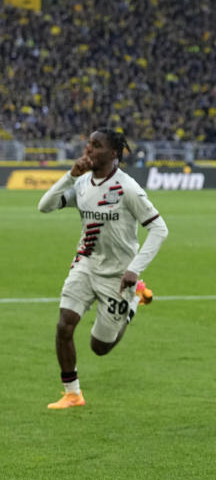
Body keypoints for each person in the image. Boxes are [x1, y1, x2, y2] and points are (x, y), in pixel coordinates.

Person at [38, 129, 169, 409]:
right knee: (65, 324)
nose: (88, 150)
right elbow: (44, 206)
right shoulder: (83, 183)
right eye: (88, 144)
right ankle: (72, 394)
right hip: (85, 264)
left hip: (119, 277)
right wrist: (70, 175)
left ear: (113, 153)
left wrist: (134, 269)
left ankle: (133, 302)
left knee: (100, 348)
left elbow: (159, 229)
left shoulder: (128, 189)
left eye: (96, 146)